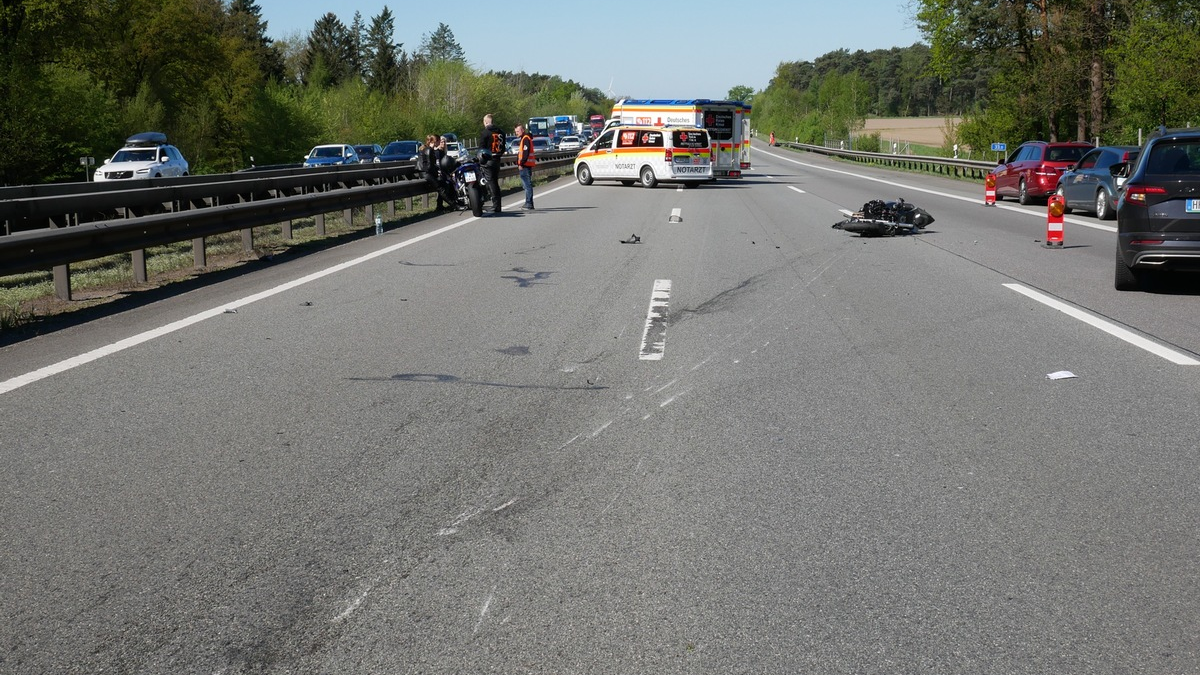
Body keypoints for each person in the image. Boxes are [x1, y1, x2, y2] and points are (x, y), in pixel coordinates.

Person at [479, 113, 506, 213]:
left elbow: (481, 149)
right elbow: (503, 147)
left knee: (491, 182)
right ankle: (498, 205)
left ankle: (495, 205)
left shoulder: (485, 133)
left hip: (488, 161)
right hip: (497, 159)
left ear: (486, 122)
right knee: (495, 182)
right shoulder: (501, 132)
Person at [421, 134, 450, 211]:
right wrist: (437, 172)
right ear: (435, 141)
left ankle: (441, 205)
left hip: (429, 173)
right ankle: (454, 204)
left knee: (444, 184)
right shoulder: (429, 150)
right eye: (439, 141)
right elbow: (430, 166)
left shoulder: (431, 150)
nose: (441, 143)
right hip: (427, 174)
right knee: (441, 187)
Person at [514, 124, 536, 210]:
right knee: (527, 185)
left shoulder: (525, 139)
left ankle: (529, 203)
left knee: (527, 185)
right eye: (515, 131)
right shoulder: (524, 138)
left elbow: (525, 153)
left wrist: (521, 164)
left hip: (525, 166)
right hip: (526, 165)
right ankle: (529, 203)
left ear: (523, 130)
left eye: (518, 131)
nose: (516, 133)